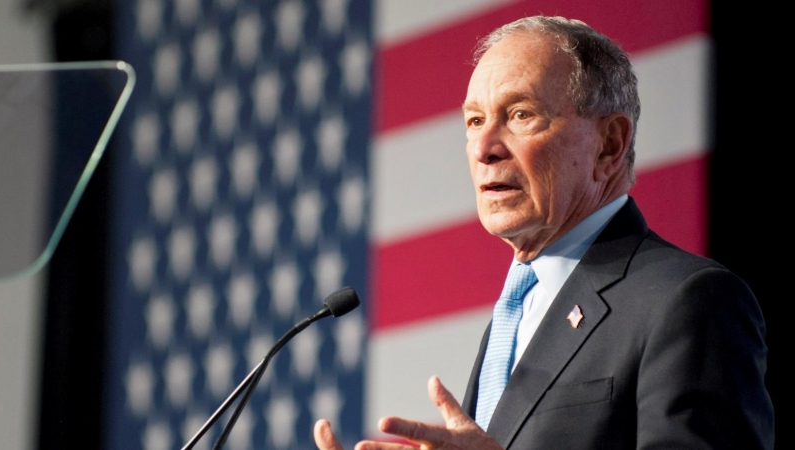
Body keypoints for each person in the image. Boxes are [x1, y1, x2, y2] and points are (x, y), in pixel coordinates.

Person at [314, 15, 774, 450]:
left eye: (520, 115)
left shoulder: (689, 300)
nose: (483, 148)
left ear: (610, 144)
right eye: (474, 120)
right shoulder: (518, 306)